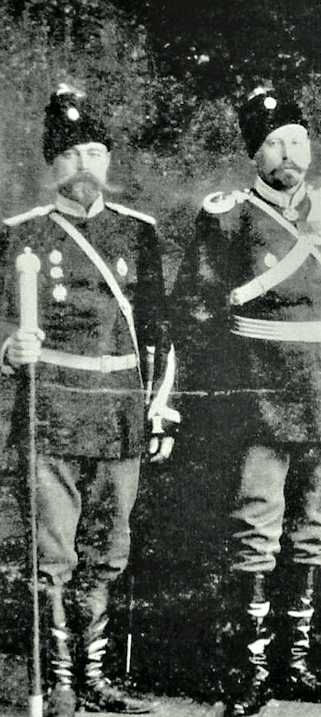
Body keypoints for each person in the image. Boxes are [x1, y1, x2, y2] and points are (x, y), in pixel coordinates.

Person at [175, 86, 321, 716]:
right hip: (258, 392)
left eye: (297, 140)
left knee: (314, 526)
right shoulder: (227, 217)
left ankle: (297, 663)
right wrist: (218, 396)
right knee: (256, 525)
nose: (288, 152)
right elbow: (196, 313)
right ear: (254, 155)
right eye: (274, 143)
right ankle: (252, 668)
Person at [0, 85, 177, 717]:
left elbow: (160, 331)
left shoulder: (138, 233)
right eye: (72, 154)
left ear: (108, 162)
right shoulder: (19, 235)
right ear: (53, 164)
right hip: (51, 411)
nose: (84, 164)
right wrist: (9, 348)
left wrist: (161, 409)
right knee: (54, 554)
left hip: (119, 412)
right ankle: (61, 683)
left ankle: (97, 678)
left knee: (108, 553)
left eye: (95, 152)